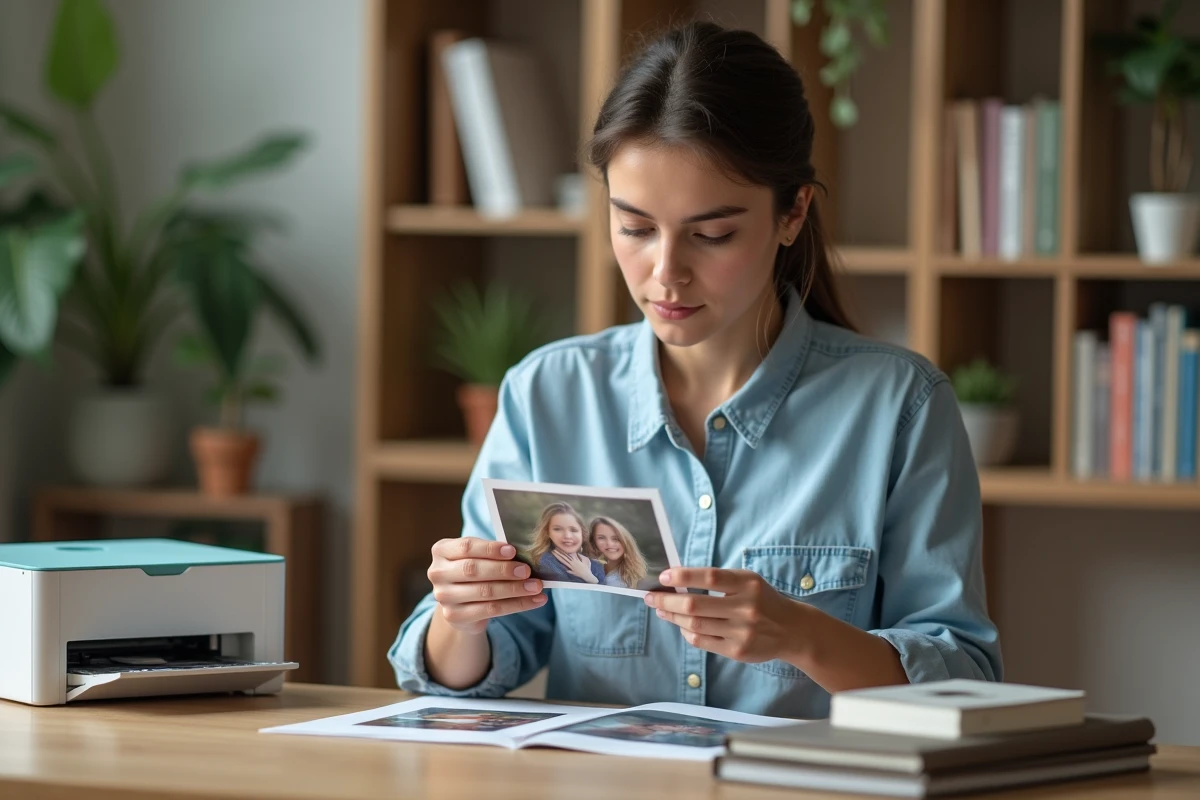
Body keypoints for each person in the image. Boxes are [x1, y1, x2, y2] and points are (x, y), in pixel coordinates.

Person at [391, 20, 1002, 718]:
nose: (666, 273)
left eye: (712, 235)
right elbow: (460, 677)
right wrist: (460, 616)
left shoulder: (900, 408)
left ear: (792, 212)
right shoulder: (548, 395)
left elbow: (965, 681)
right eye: (635, 227)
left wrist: (804, 636)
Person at [526, 502, 606, 584]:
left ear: (582, 533)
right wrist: (591, 579)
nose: (567, 536)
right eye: (558, 529)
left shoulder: (596, 565)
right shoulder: (547, 562)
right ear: (547, 533)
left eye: (573, 530)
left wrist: (589, 576)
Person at [585, 516, 649, 589]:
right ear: (593, 542)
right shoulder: (592, 566)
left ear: (625, 541)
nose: (609, 544)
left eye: (616, 538)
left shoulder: (630, 580)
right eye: (601, 538)